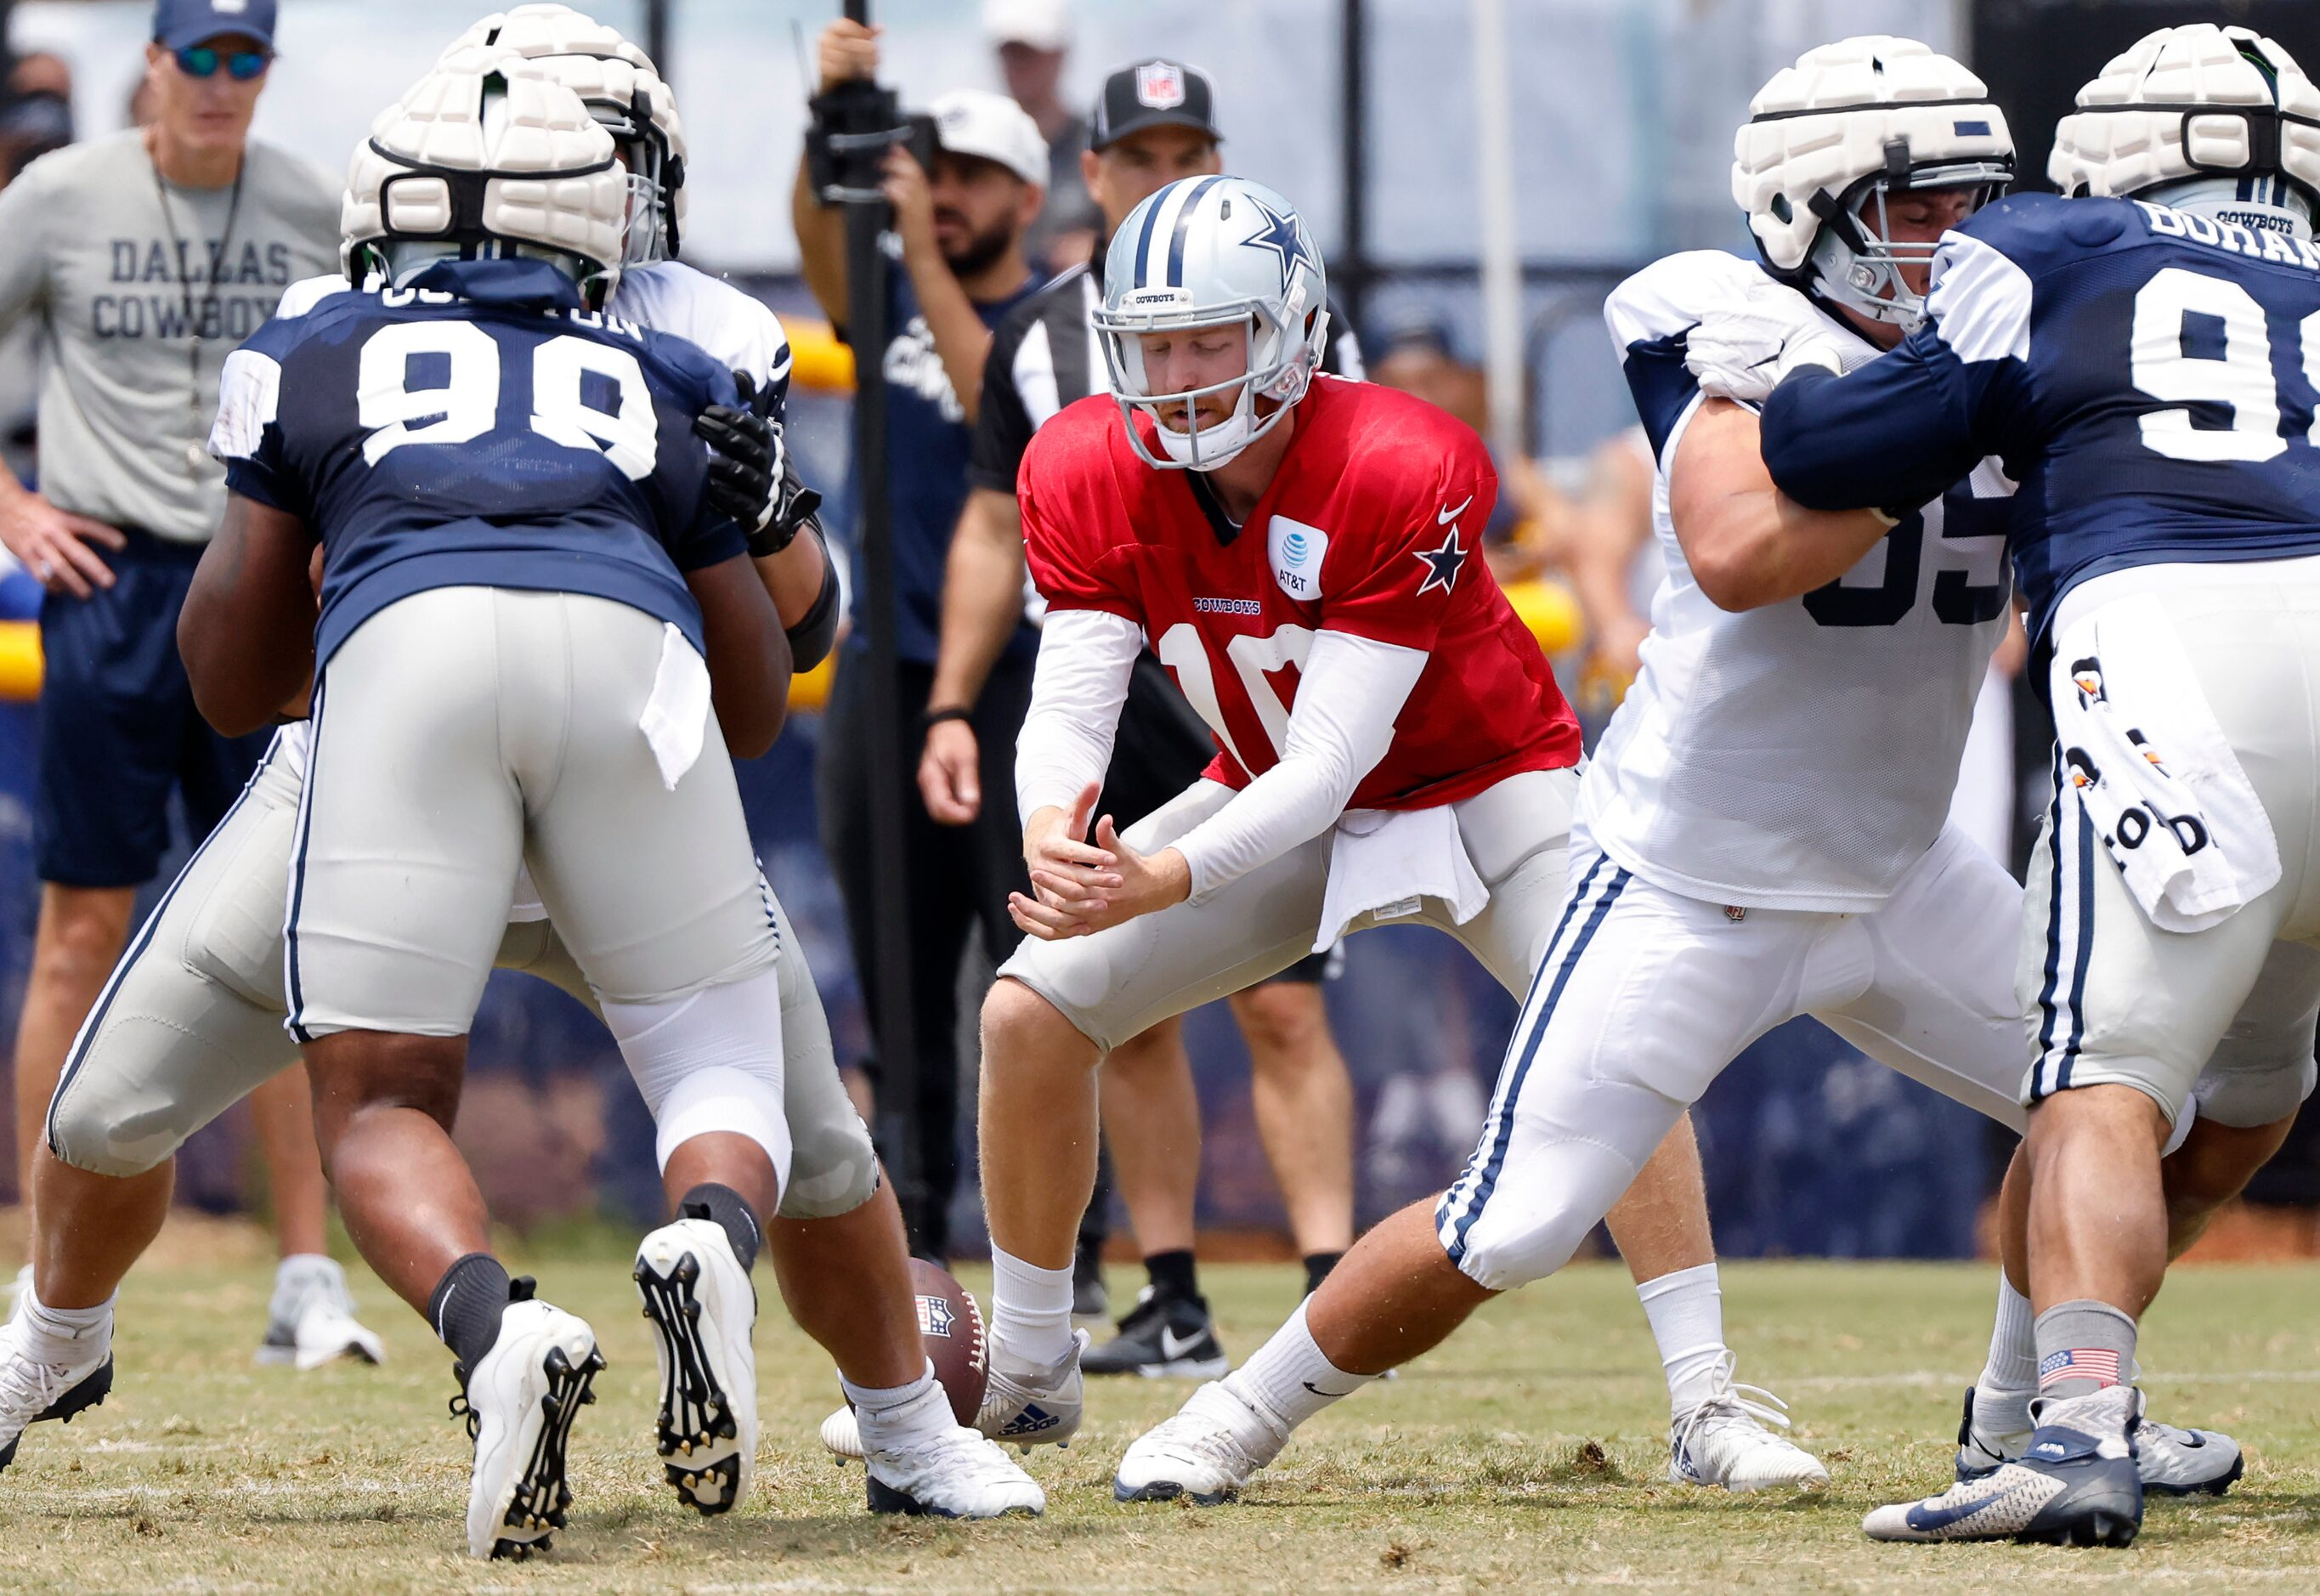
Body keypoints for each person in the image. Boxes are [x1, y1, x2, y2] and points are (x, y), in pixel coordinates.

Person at [1113, 37, 2238, 1510]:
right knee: (1507, 1225)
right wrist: (1966, 402)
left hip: (1901, 870)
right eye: (1919, 204)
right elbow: (1736, 550)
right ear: (1809, 207)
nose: (1957, 234)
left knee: (2130, 1103)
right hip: (1690, 880)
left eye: (1976, 196)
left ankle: (2031, 1413)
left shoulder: (2001, 336)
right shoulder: (1722, 314)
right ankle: (1234, 1414)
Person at [0, 4, 1042, 1533]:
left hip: (395, 756)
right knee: (769, 1119)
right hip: (613, 739)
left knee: (817, 1143)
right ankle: (54, 1339)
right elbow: (782, 661)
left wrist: (774, 515)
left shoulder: (661, 325)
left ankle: (899, 1428)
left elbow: (810, 611)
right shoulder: (666, 349)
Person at [971, 173, 1821, 1497]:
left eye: (1211, 339)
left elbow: (1330, 766)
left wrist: (1159, 875)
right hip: (1260, 782)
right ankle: (1026, 1374)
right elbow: (1072, 701)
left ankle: (1705, 1400)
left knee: (1618, 1045)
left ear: (1293, 330)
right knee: (1028, 1015)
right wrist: (1054, 833)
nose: (1180, 378)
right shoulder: (1081, 461)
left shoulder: (1398, 459)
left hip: (1481, 784)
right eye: (1153, 346)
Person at [1717, 22, 2320, 1546]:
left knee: (2098, 1080)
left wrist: (1765, 386)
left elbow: (1833, 440)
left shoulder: (2052, 242)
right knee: (2249, 1096)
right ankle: (2040, 1396)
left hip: (2177, 644)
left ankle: (2075, 1424)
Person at [916, 56, 1367, 1384]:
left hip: (1261, 682)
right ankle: (1167, 1289)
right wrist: (950, 696)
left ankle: (1335, 1284)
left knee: (1285, 1011)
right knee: (1122, 1002)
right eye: (1140, 154)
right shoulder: (1041, 341)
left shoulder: (1293, 318)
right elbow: (998, 523)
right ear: (1095, 172)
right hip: (1114, 674)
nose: (1165, 174)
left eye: (1191, 150)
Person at [0, 0, 378, 1368]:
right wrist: (14, 507)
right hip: (108, 582)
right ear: (150, 62)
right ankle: (47, 1285)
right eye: (200, 55)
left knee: (293, 938)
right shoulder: (56, 195)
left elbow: (371, 375)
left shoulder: (313, 201)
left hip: (263, 573)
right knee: (76, 931)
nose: (223, 81)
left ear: (268, 70)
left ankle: (306, 1276)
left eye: (247, 57)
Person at [793, 20, 1048, 1264]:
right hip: (882, 659)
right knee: (896, 961)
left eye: (969, 179)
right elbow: (812, 241)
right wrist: (826, 126)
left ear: (1024, 193)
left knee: (1027, 965)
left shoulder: (1049, 318)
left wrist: (918, 255)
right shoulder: (882, 282)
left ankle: (1062, 1240)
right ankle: (917, 1223)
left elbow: (987, 387)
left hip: (1019, 670)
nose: (941, 197)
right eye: (926, 174)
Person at [984, 0, 1098, 273]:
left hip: (1077, 304)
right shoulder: (977, 150)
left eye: (1032, 52)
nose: (1020, 65)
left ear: (1060, 54)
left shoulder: (1100, 143)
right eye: (1010, 52)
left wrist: (1102, 248)